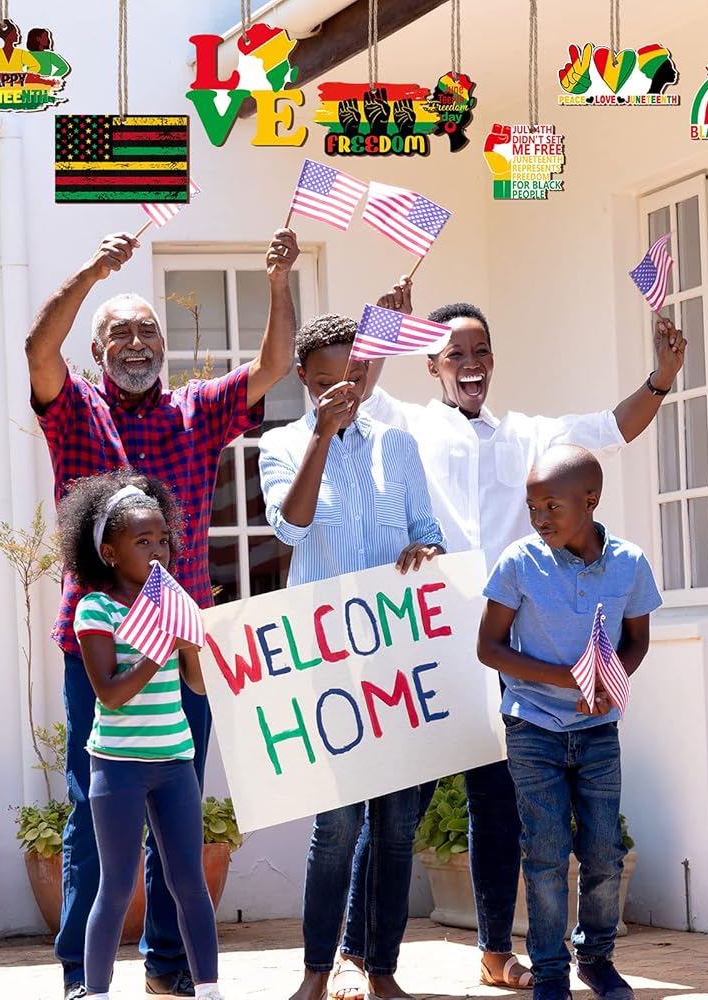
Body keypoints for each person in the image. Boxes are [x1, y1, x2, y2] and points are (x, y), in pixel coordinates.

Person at [340, 280, 685, 992]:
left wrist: (661, 377)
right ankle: (356, 954)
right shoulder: (407, 423)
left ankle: (496, 952)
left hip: (508, 649)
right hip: (429, 643)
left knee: (498, 807)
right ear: (431, 366)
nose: (470, 364)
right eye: (454, 354)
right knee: (397, 811)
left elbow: (611, 428)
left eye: (481, 351)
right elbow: (357, 387)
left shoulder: (527, 434)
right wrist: (383, 325)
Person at [26, 227, 299, 1000]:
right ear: (99, 348)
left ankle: (169, 969)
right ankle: (82, 978)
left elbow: (273, 366)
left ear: (165, 345)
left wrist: (278, 281)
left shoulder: (197, 411)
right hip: (100, 648)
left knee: (175, 809)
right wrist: (91, 271)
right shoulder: (75, 410)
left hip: (184, 646)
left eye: (148, 331)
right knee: (93, 807)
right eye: (121, 333)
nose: (137, 343)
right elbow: (38, 350)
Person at [258, 313, 445, 1000]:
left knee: (395, 829)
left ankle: (381, 968)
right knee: (336, 826)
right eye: (327, 379)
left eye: (355, 374)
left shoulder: (398, 445)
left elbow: (427, 531)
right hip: (326, 665)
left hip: (395, 658)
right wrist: (321, 435)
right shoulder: (280, 444)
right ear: (305, 380)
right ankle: (316, 971)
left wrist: (427, 550)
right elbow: (289, 527)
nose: (345, 387)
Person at [477, 445, 662, 1000]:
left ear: (590, 501)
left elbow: (637, 641)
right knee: (546, 853)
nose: (540, 519)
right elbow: (489, 647)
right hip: (532, 726)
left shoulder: (629, 563)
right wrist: (567, 679)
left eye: (552, 507)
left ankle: (596, 959)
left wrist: (608, 682)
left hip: (598, 729)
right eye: (533, 507)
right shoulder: (519, 562)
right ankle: (551, 972)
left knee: (604, 851)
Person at [59, 470, 221, 1000]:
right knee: (117, 885)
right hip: (118, 766)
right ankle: (96, 990)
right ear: (109, 552)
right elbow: (109, 693)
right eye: (142, 541)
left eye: (163, 540)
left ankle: (209, 989)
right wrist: (158, 649)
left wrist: (189, 643)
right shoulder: (95, 608)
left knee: (189, 882)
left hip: (174, 761)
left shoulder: (172, 604)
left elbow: (197, 684)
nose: (157, 552)